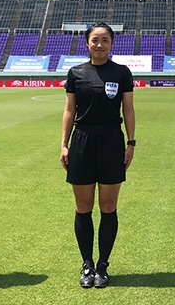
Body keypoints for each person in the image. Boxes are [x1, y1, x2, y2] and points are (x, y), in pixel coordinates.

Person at [60, 22, 135, 289]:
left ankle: (103, 264)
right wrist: (64, 144)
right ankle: (87, 264)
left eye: (105, 40)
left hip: (111, 140)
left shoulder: (121, 73)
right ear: (87, 43)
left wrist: (131, 142)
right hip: (82, 140)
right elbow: (69, 111)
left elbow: (128, 109)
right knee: (83, 206)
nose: (99, 44)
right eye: (95, 40)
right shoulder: (76, 73)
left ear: (111, 44)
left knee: (108, 206)